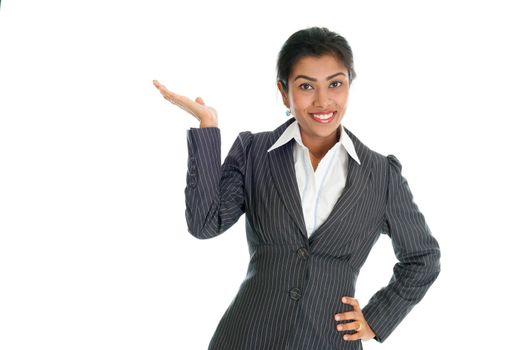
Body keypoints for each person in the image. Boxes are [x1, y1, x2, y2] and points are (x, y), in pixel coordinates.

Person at [153, 26, 441, 350]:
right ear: (283, 91)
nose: (323, 101)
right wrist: (208, 128)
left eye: (335, 83)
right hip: (246, 338)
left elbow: (423, 257)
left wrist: (376, 318)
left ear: (349, 85)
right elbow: (205, 223)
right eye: (306, 86)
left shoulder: (381, 175)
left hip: (329, 342)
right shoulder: (254, 152)